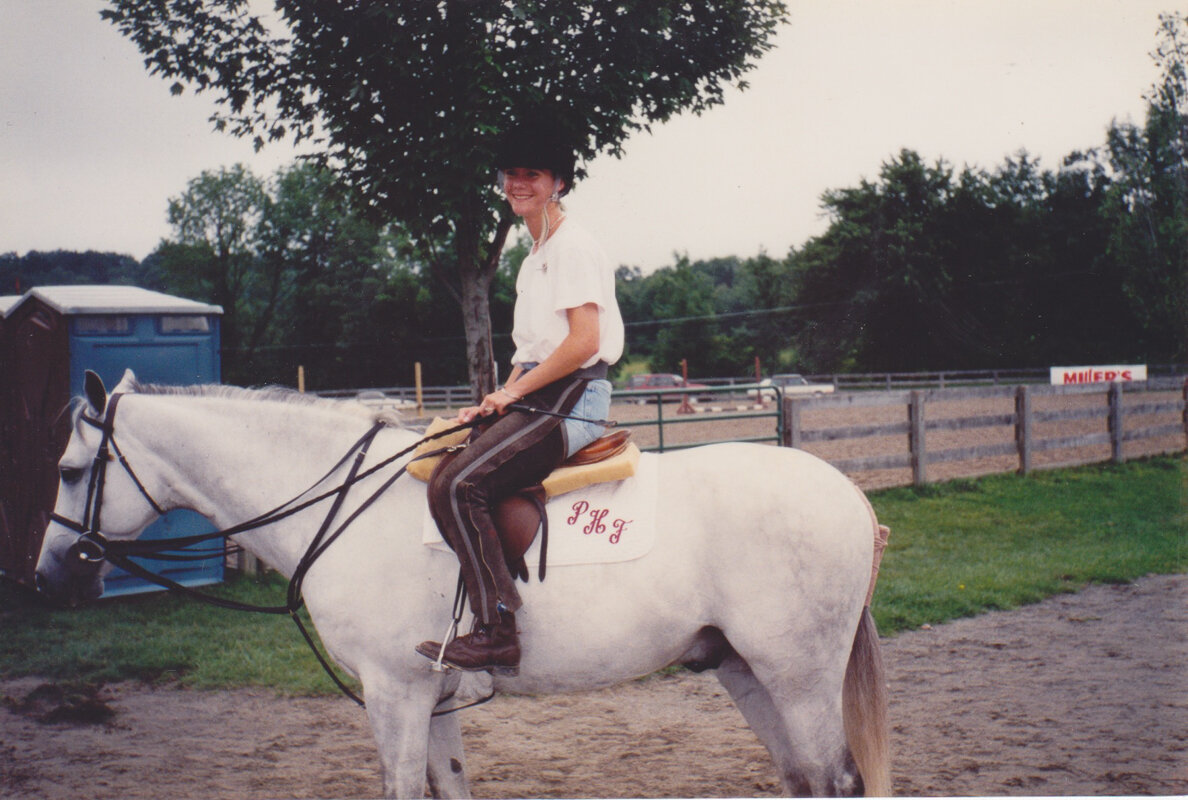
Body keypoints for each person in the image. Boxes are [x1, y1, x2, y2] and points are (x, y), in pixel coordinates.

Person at [416, 122, 625, 674]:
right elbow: (532, 350)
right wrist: (493, 400)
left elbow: (585, 342)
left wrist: (514, 391)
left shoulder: (573, 246)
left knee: (459, 484)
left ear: (558, 181)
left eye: (531, 174)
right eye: (511, 174)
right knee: (441, 460)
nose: (517, 183)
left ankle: (497, 630)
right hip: (539, 394)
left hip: (572, 399)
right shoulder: (535, 254)